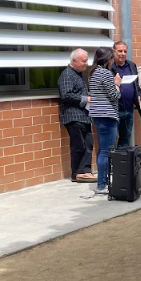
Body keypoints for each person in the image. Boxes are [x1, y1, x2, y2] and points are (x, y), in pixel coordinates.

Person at [58, 49, 96, 183]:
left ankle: (84, 172)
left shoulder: (78, 74)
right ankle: (78, 172)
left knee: (88, 144)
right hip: (73, 116)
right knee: (79, 145)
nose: (87, 63)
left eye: (87, 60)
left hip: (83, 116)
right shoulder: (67, 74)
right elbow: (66, 95)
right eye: (83, 61)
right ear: (74, 61)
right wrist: (86, 99)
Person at [88, 47, 121, 195]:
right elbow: (115, 95)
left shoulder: (93, 73)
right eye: (112, 58)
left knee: (102, 150)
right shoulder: (106, 73)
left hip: (97, 115)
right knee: (106, 151)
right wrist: (117, 83)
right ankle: (102, 185)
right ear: (108, 59)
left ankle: (103, 182)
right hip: (107, 116)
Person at [112, 41, 140, 148]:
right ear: (114, 51)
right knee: (112, 139)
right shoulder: (109, 67)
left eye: (125, 51)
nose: (123, 54)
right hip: (114, 109)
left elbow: (136, 84)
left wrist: (138, 95)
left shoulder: (131, 65)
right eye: (120, 51)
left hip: (129, 108)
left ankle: (122, 157)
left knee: (125, 139)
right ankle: (112, 159)